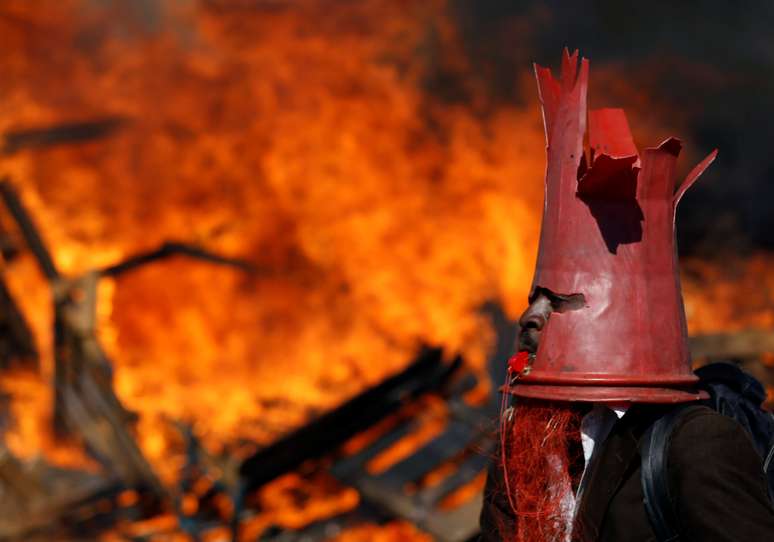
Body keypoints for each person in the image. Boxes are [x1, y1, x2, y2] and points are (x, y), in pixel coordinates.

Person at [478, 50, 774, 541]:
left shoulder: (693, 443)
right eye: (535, 298)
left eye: (559, 300)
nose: (530, 316)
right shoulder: (522, 442)